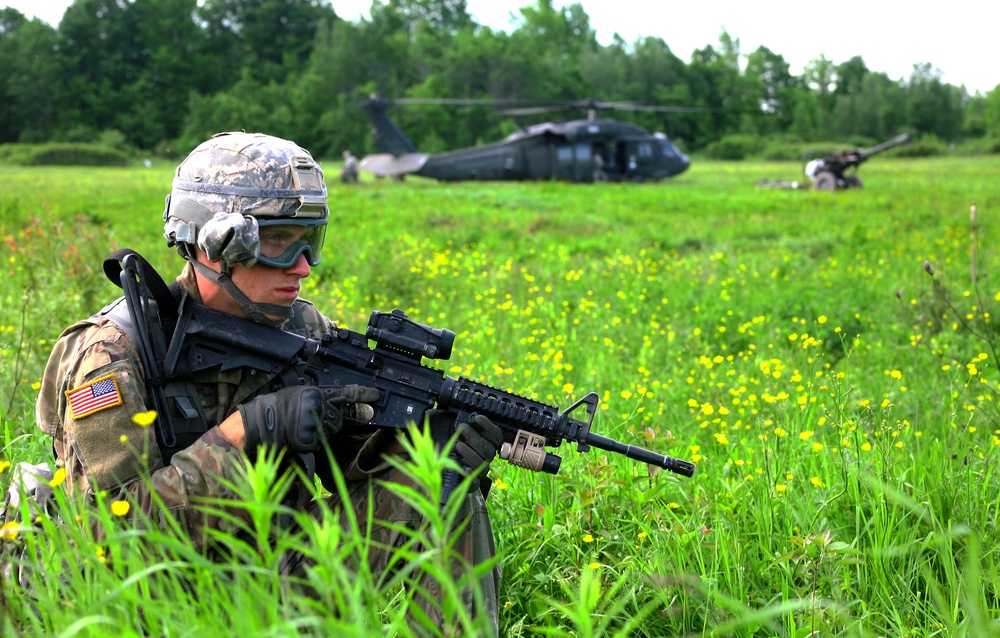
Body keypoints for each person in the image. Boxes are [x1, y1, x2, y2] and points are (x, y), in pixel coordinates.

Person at [29, 132, 503, 633]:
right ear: (214, 242)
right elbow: (108, 539)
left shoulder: (301, 328)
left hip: (271, 579)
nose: (301, 268)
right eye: (276, 243)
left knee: (441, 488)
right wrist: (244, 433)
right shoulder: (114, 355)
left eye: (309, 242)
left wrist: (426, 447)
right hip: (154, 605)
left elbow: (351, 468)